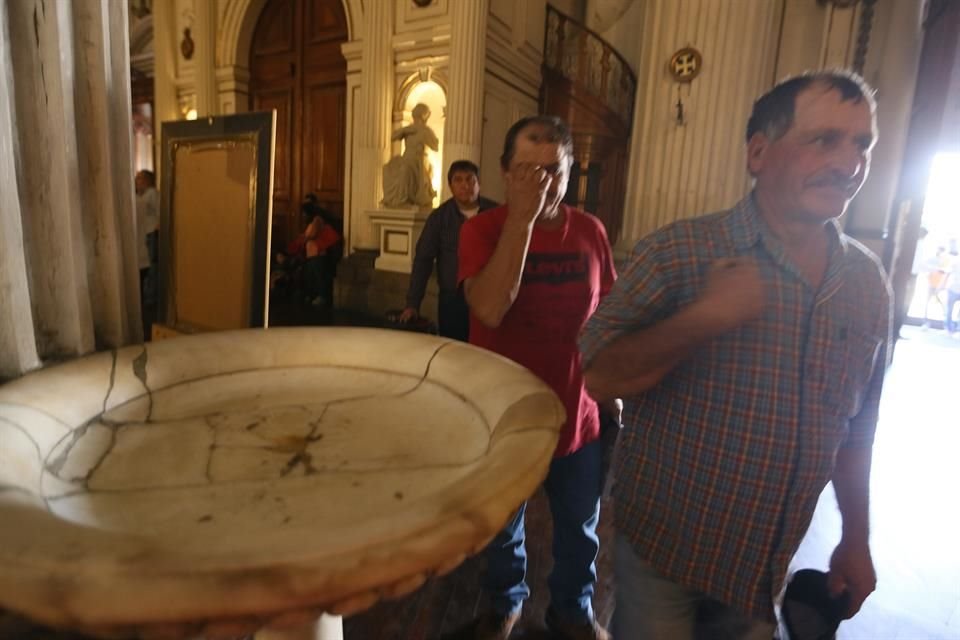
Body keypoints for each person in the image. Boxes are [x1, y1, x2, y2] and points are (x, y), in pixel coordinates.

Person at [580, 70, 891, 638]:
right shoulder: (680, 251)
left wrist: (855, 537)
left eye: (861, 144)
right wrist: (704, 318)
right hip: (664, 556)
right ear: (758, 152)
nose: (850, 162)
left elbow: (858, 426)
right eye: (824, 139)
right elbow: (599, 375)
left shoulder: (868, 283)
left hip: (765, 567)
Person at [458, 116, 617, 640]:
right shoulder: (480, 230)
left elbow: (608, 318)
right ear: (505, 172)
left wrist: (613, 397)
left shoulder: (590, 230)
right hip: (506, 420)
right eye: (528, 170)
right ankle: (507, 601)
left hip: (578, 414)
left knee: (580, 527)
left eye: (554, 171)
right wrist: (521, 223)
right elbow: (488, 308)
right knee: (503, 528)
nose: (542, 183)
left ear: (571, 173)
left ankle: (571, 609)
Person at [398, 160, 498, 340]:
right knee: (454, 355)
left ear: (479, 183)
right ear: (450, 186)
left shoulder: (496, 214)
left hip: (490, 298)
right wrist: (412, 304)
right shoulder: (439, 218)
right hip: (453, 301)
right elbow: (423, 260)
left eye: (470, 179)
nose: (465, 185)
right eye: (458, 180)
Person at [383, 103, 440, 208]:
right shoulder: (408, 129)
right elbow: (393, 137)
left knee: (405, 170)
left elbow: (435, 146)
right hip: (406, 157)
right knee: (388, 168)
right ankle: (395, 200)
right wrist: (405, 130)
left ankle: (403, 200)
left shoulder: (425, 130)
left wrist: (422, 132)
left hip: (419, 160)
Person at [135, 170, 159, 305]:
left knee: (152, 266)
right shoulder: (139, 196)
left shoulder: (152, 194)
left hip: (151, 233)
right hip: (143, 234)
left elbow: (159, 211)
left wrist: (156, 228)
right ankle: (146, 296)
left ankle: (151, 298)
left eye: (140, 178)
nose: (137, 181)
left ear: (148, 180)